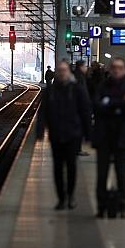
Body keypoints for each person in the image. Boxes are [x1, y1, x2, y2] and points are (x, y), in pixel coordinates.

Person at [37, 61, 92, 210]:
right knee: (58, 168)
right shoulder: (51, 91)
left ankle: (71, 195)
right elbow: (43, 111)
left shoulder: (77, 89)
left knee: (71, 166)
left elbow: (85, 112)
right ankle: (61, 198)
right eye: (59, 70)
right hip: (56, 134)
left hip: (73, 134)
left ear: (69, 72)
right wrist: (40, 130)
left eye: (64, 70)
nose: (62, 73)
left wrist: (88, 134)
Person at [92, 58, 125, 219]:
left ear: (124, 70)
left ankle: (123, 206)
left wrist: (108, 102)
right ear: (110, 70)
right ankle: (101, 206)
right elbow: (97, 105)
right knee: (101, 175)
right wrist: (118, 104)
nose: (116, 71)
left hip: (123, 138)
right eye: (114, 68)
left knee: (122, 175)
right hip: (104, 137)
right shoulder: (102, 86)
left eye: (120, 68)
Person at [74, 60, 91, 156]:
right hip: (80, 108)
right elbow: (82, 93)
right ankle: (77, 149)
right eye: (85, 66)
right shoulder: (80, 77)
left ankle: (77, 148)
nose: (86, 68)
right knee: (79, 129)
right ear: (81, 67)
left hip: (78, 108)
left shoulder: (77, 76)